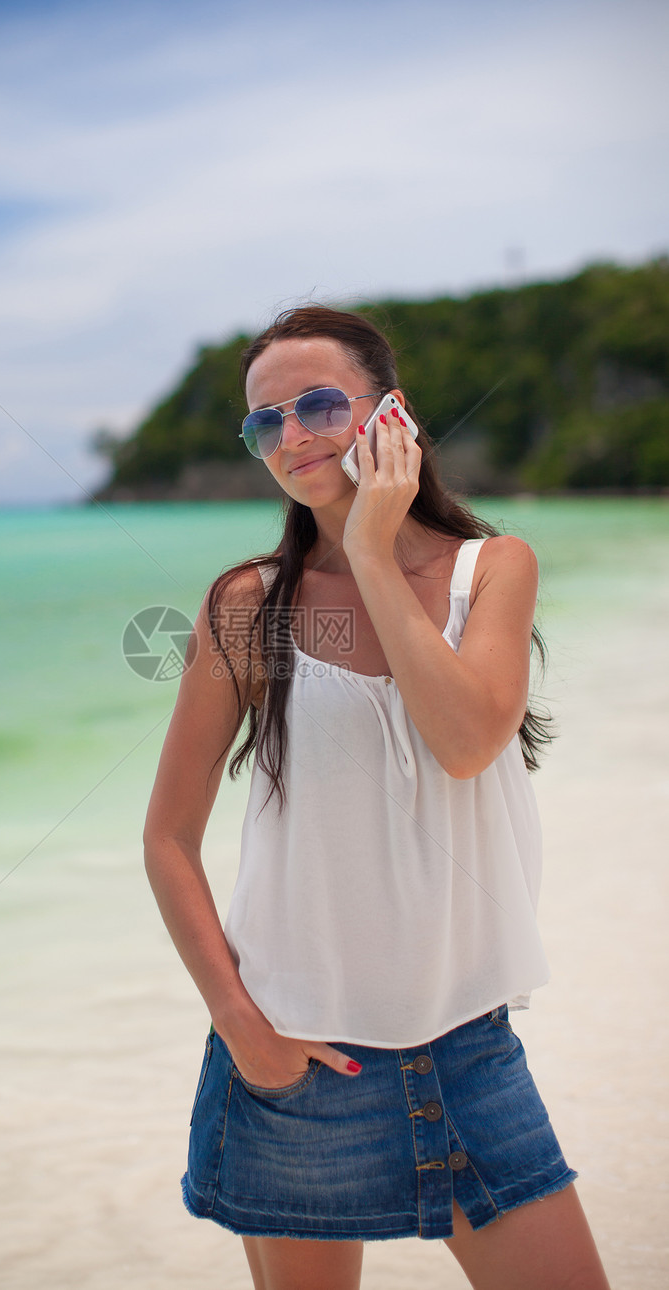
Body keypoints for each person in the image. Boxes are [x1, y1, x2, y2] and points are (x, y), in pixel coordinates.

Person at [143, 306, 610, 1290]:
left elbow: (463, 738)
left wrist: (367, 550)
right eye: (264, 422)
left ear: (387, 413)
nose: (291, 436)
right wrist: (240, 1023)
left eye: (317, 405)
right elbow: (168, 839)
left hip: (467, 1053)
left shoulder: (493, 570)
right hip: (296, 1058)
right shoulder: (243, 605)